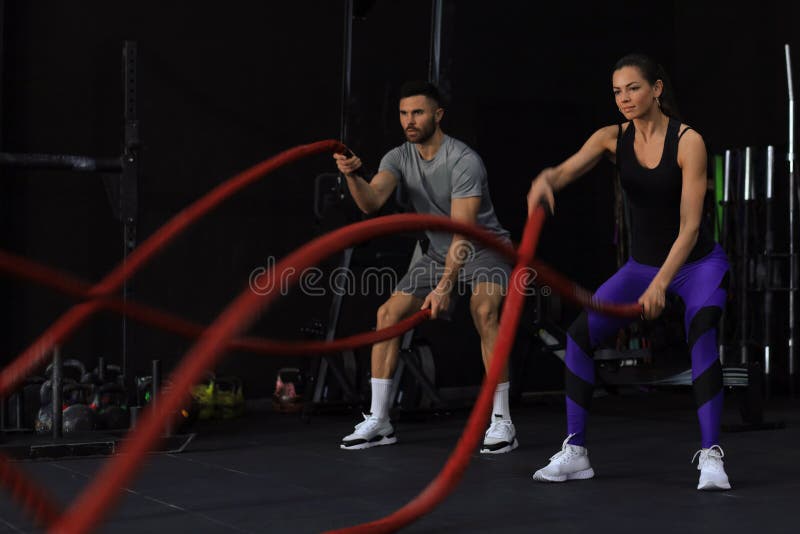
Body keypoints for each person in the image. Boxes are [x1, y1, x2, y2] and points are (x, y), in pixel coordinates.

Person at [526, 53, 732, 490]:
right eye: (617, 91)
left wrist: (661, 284)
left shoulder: (688, 141)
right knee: (579, 336)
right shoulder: (610, 138)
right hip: (642, 266)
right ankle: (576, 451)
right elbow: (564, 170)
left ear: (656, 89)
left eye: (633, 88)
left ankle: (711, 455)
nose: (624, 98)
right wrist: (546, 180)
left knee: (703, 328)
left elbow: (691, 226)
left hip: (696, 264)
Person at [333, 80, 517, 454]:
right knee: (388, 314)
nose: (409, 121)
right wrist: (353, 175)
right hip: (436, 251)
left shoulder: (464, 161)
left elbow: (463, 234)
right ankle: (380, 420)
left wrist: (445, 286)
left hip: (485, 248)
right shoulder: (398, 157)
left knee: (483, 311)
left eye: (417, 112)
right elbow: (371, 203)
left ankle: (502, 422)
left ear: (437, 115)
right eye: (403, 113)